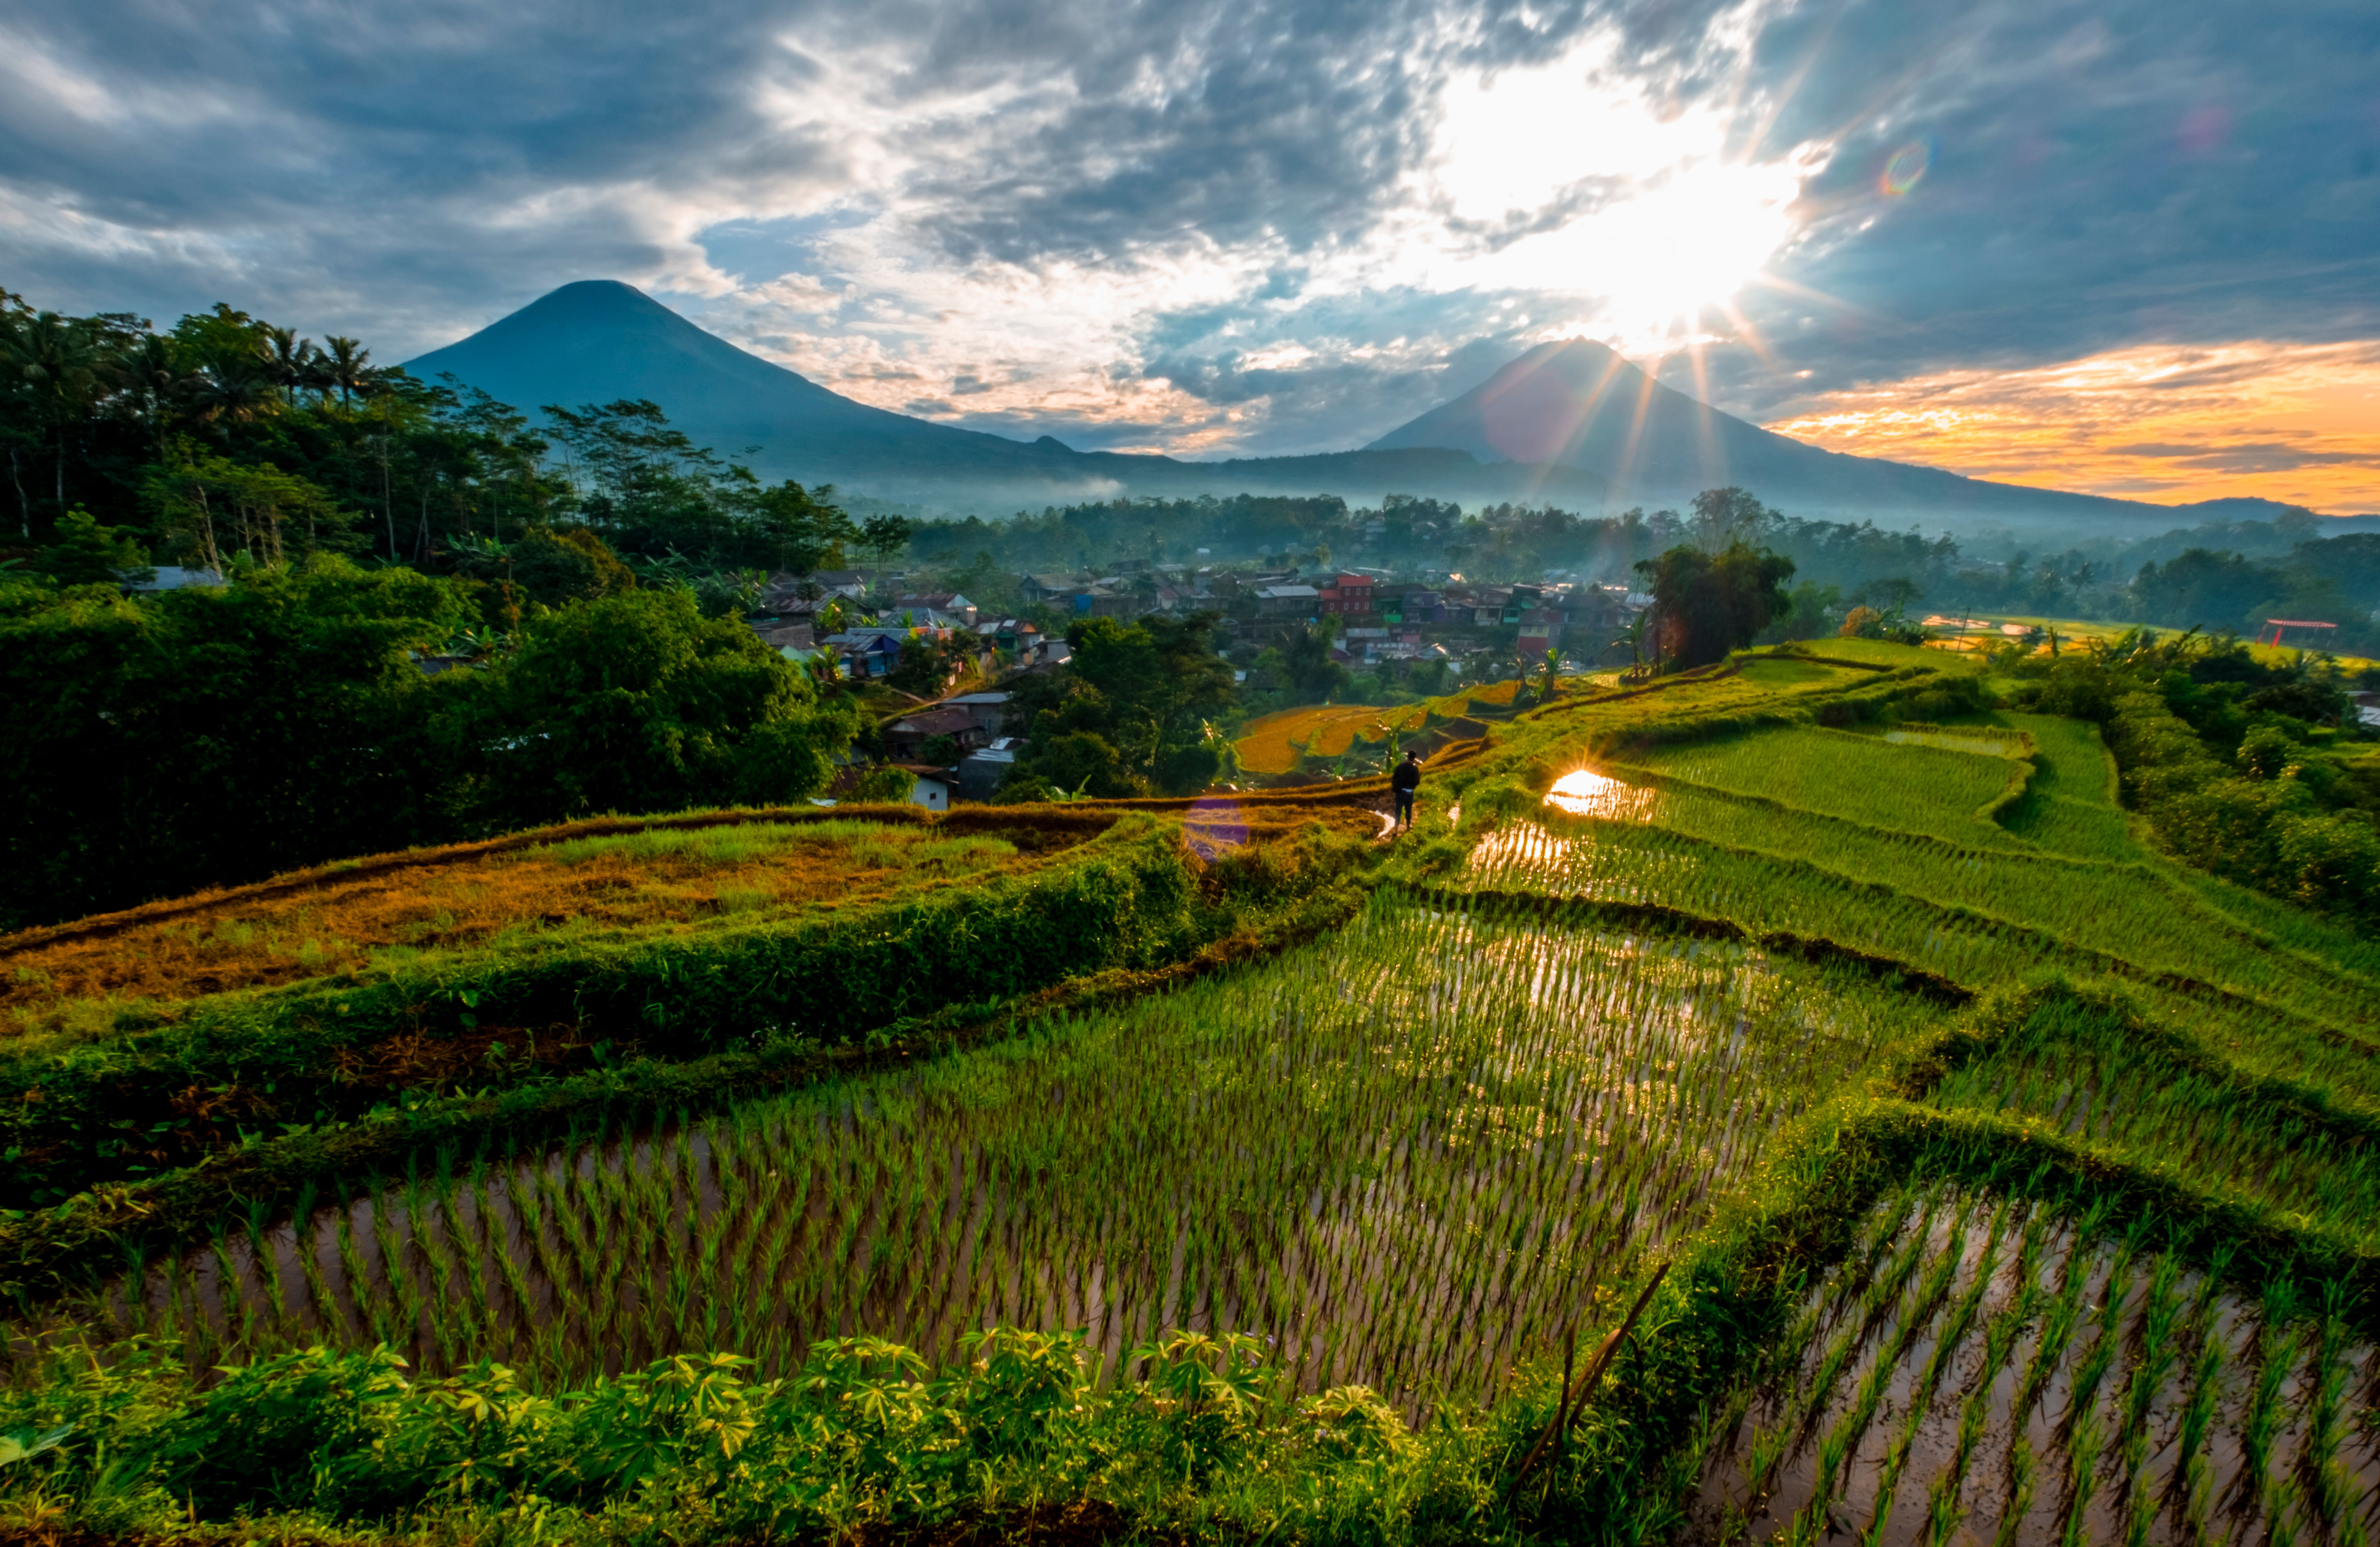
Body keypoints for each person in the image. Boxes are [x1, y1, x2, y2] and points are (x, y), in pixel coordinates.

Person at [1390, 750, 1422, 829]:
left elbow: (1394, 779)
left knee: (1398, 811)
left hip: (1400, 792)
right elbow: (1417, 782)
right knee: (1409, 811)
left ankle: (1396, 829)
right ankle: (1408, 826)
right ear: (1414, 758)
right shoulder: (1415, 769)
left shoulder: (1400, 767)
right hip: (1409, 793)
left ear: (1408, 757)